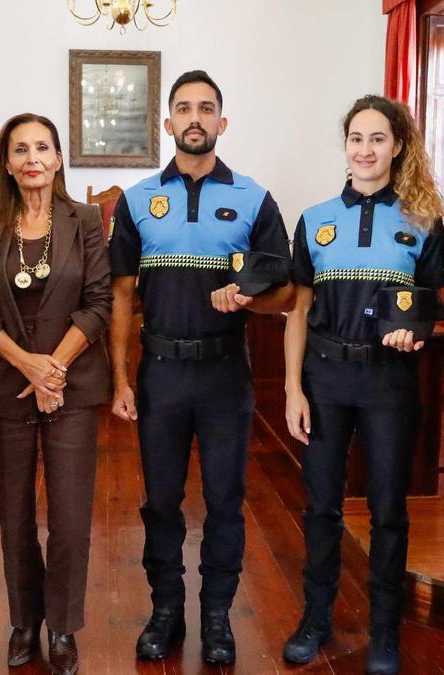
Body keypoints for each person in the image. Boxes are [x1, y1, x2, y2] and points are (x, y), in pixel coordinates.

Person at [108, 70, 293, 666]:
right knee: (161, 501)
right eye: (184, 108)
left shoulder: (255, 199)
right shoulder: (137, 201)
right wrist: (120, 378)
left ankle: (217, 617)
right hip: (160, 373)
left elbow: (285, 293)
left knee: (225, 501)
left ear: (222, 122)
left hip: (224, 376)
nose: (195, 118)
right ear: (168, 123)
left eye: (206, 108)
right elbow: (120, 295)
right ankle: (166, 611)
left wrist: (247, 298)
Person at [281, 95, 444, 674]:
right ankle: (316, 618)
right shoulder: (315, 219)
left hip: (388, 382)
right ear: (346, 145)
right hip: (325, 378)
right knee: (322, 506)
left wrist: (416, 333)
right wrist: (292, 389)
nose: (366, 149)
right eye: (357, 138)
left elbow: (430, 307)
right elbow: (299, 310)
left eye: (378, 139)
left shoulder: (422, 221)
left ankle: (384, 630)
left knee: (388, 509)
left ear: (397, 146)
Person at [0, 112, 111, 675]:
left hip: (73, 385)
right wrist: (27, 365)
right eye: (20, 149)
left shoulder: (85, 220)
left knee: (69, 517)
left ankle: (62, 626)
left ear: (57, 159)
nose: (32, 159)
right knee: (16, 513)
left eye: (42, 147)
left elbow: (99, 301)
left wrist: (54, 370)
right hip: (7, 385)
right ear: (6, 163)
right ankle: (24, 619)